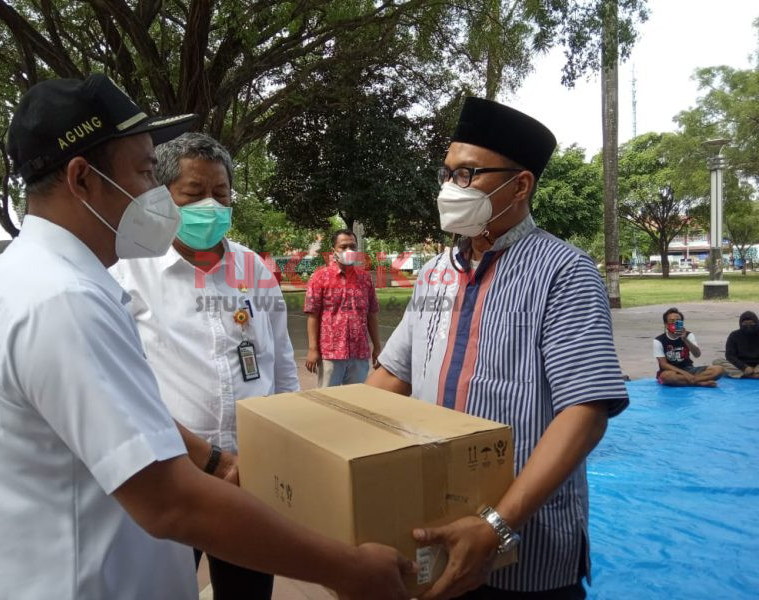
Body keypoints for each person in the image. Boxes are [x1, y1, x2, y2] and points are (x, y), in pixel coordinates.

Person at [0, 74, 412, 599]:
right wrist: (347, 568)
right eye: (147, 172)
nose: (156, 194)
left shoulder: (30, 279)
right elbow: (172, 501)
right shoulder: (63, 299)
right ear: (83, 179)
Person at [367, 97, 629, 599]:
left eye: (467, 175)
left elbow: (587, 409)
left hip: (527, 547)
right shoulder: (434, 274)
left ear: (520, 185)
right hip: (435, 526)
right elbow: (391, 377)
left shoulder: (564, 272)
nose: (450, 188)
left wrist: (495, 526)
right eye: (446, 173)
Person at [109, 131, 298, 599]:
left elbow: (283, 366)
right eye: (194, 194)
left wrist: (286, 448)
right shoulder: (128, 275)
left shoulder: (253, 269)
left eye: (221, 193)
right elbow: (122, 391)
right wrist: (209, 460)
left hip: (250, 473)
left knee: (248, 588)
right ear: (164, 199)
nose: (209, 206)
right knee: (166, 587)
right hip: (172, 473)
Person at [304, 229, 380, 387]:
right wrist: (312, 349)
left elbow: (371, 314)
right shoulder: (319, 277)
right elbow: (313, 316)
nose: (348, 250)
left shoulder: (365, 279)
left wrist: (377, 348)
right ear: (333, 250)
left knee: (355, 402)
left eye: (352, 246)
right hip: (330, 354)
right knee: (328, 403)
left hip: (359, 354)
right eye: (343, 247)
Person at [653, 307, 725, 387]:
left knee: (719, 370)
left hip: (688, 368)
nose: (675, 324)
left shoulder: (688, 335)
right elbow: (663, 364)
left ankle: (692, 381)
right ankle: (699, 383)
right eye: (672, 321)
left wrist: (685, 339)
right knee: (666, 377)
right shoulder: (659, 340)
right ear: (666, 325)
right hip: (670, 370)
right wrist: (684, 373)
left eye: (678, 321)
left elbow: (697, 354)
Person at [712, 310, 759, 378]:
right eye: (745, 324)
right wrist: (744, 367)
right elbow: (730, 355)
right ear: (740, 324)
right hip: (740, 365)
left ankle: (745, 375)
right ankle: (752, 375)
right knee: (717, 362)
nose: (748, 326)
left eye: (751, 323)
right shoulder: (734, 335)